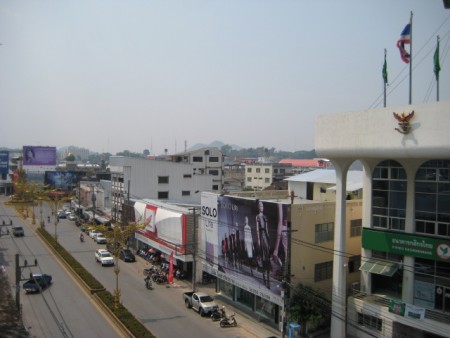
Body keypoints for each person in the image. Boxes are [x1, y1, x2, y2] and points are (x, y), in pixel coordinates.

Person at [255, 200, 271, 288]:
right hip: (261, 236)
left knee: (267, 256)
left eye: (263, 206)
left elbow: (267, 229)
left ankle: (268, 279)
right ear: (258, 207)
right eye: (260, 206)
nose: (262, 207)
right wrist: (258, 240)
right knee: (263, 256)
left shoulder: (265, 217)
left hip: (265, 237)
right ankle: (265, 278)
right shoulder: (257, 217)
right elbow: (257, 230)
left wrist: (268, 241)